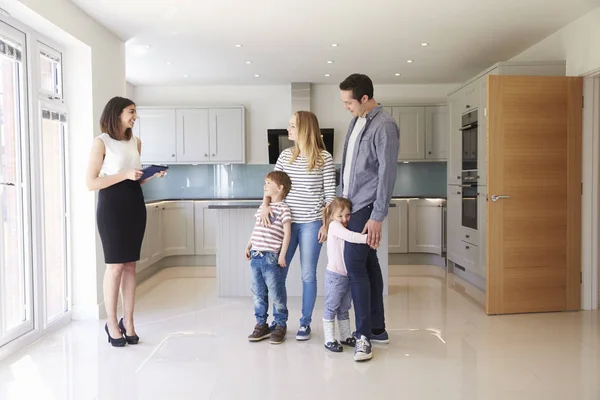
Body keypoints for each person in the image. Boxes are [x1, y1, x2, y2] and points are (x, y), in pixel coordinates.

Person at [86, 96, 166, 347]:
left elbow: (135, 178)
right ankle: (111, 323)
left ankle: (128, 322)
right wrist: (125, 174)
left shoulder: (136, 142)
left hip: (134, 202)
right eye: (131, 111)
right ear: (116, 113)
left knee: (131, 265)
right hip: (111, 205)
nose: (135, 116)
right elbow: (92, 183)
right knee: (116, 266)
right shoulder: (101, 142)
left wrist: (150, 176)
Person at [339, 73, 399, 361]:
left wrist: (377, 215)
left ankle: (363, 336)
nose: (346, 107)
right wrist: (340, 205)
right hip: (351, 205)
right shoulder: (356, 121)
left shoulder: (385, 125)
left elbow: (387, 174)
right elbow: (349, 168)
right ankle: (376, 328)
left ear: (365, 98)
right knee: (368, 264)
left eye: (349, 102)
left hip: (366, 207)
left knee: (355, 266)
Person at [260, 111, 336, 341]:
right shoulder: (285, 157)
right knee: (277, 273)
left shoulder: (324, 158)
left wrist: (326, 224)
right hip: (286, 224)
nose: (289, 130)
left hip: (312, 223)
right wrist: (265, 206)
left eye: (292, 126)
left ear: (305, 129)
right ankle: (279, 320)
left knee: (307, 275)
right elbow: (271, 186)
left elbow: (330, 197)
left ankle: (305, 323)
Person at [321, 197, 375, 353]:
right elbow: (351, 237)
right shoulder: (334, 226)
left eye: (348, 215)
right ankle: (329, 339)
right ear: (332, 216)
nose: (345, 219)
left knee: (344, 308)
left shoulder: (342, 224)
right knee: (331, 307)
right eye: (340, 216)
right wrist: (368, 238)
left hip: (346, 276)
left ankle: (345, 336)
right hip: (335, 276)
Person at [245, 171, 293, 344]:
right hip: (256, 256)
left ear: (280, 188)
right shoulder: (263, 207)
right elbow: (257, 227)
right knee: (258, 293)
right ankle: (261, 324)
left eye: (268, 183)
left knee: (276, 293)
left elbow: (287, 234)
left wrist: (282, 255)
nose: (264, 185)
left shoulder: (284, 209)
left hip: (271, 257)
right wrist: (249, 244)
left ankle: (280, 325)